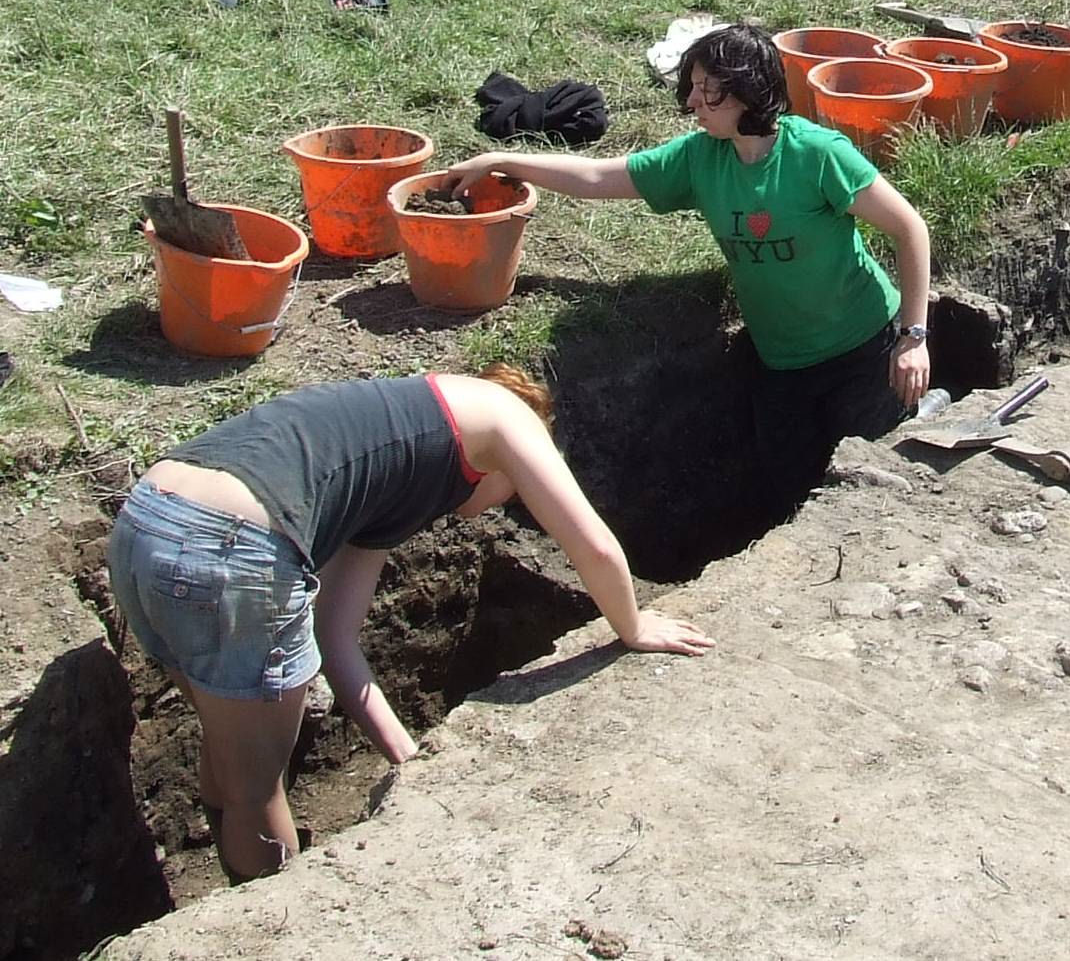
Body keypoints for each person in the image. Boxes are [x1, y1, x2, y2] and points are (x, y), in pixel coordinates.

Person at [104, 367, 713, 883]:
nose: (498, 504)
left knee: (230, 746)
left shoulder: (396, 451)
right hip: (231, 547)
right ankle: (272, 918)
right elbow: (594, 548)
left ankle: (232, 886)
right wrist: (632, 626)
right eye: (508, 494)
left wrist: (407, 758)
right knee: (257, 789)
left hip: (147, 520)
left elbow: (334, 636)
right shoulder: (507, 413)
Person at [444, 24, 932, 510]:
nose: (692, 103)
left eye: (707, 90)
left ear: (747, 90)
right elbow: (597, 176)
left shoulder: (818, 155)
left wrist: (913, 338)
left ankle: (929, 409)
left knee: (871, 492)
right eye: (692, 88)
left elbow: (910, 228)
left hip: (865, 352)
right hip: (781, 366)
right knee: (792, 492)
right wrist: (501, 159)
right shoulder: (701, 160)